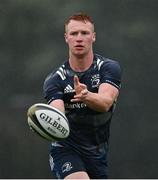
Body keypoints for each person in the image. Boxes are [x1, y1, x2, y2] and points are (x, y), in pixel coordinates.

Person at [43, 13, 122, 179]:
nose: (79, 38)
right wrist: (48, 120)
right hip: (65, 150)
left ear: (93, 37)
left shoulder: (108, 68)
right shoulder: (55, 79)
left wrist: (86, 96)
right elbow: (57, 118)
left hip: (97, 154)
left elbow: (105, 102)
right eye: (73, 33)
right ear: (66, 38)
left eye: (84, 33)